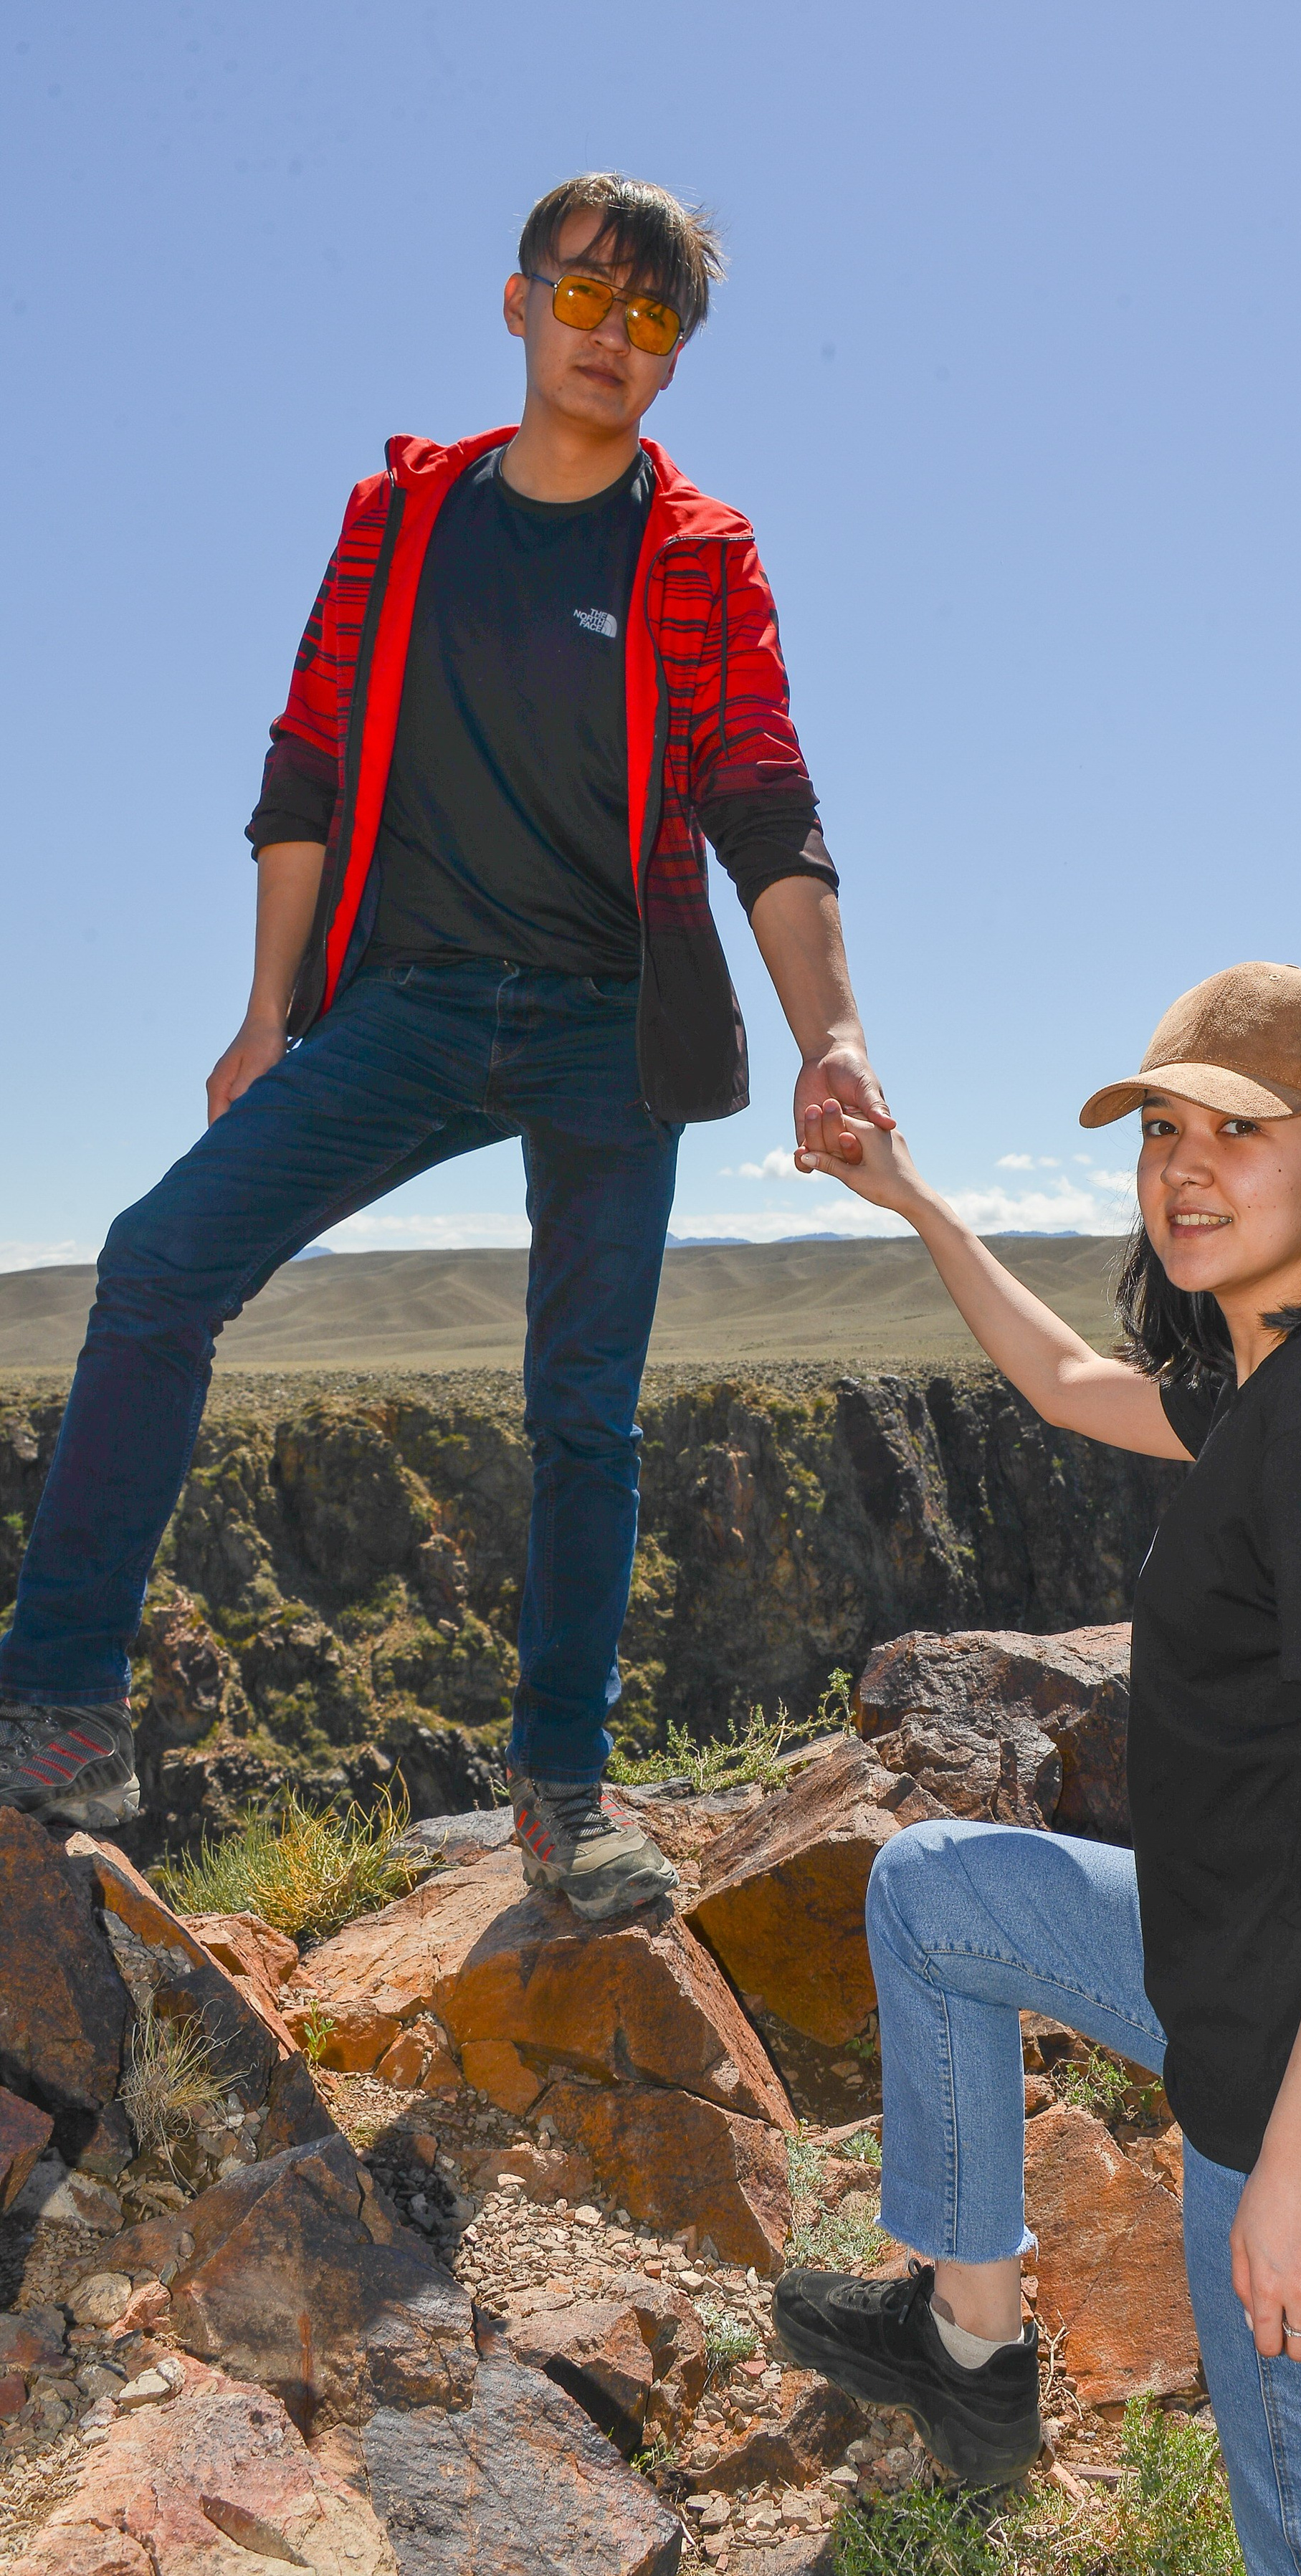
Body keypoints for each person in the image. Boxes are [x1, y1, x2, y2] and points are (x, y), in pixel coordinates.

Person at [0, 173, 890, 1917]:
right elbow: (307, 762)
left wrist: (831, 1036)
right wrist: (264, 1016)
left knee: (583, 1411)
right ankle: (60, 1704)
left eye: (651, 320)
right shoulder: (401, 516)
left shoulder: (698, 554)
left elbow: (763, 806)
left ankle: (564, 1789)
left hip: (606, 1031)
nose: (608, 339)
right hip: (404, 1008)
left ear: (675, 358)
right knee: (160, 1265)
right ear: (515, 303)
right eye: (582, 297)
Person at [772, 961, 1301, 2576]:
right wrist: (914, 1199)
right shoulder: (1268, 1387)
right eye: (1161, 1131)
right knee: (938, 1889)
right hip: (1228, 1983)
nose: (1185, 1168)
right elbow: (1063, 1380)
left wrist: (1294, 2173)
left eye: (1237, 1133)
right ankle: (968, 2348)